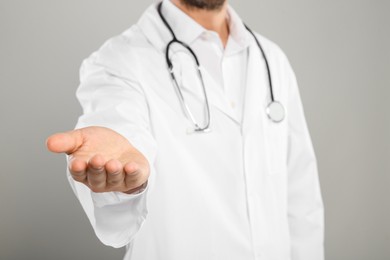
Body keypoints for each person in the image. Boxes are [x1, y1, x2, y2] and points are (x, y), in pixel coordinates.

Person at [47, 0, 324, 259]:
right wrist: (122, 183)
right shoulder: (118, 62)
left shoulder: (272, 60)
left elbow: (302, 197)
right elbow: (118, 133)